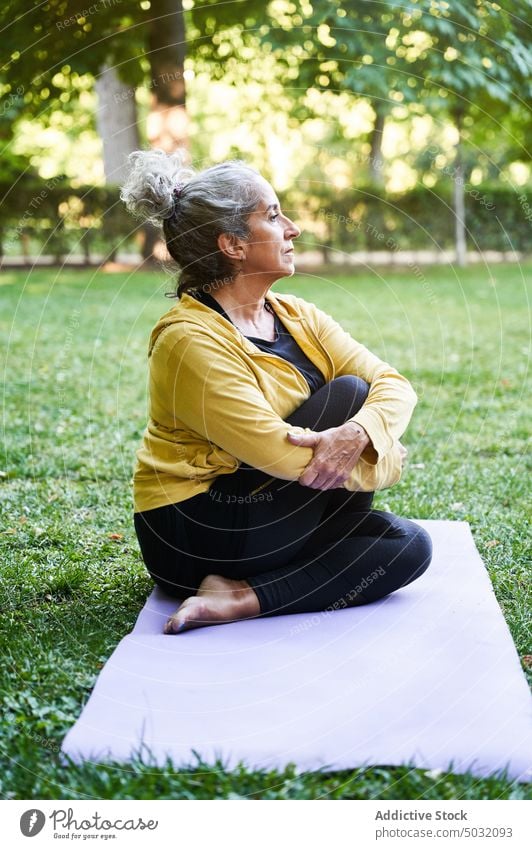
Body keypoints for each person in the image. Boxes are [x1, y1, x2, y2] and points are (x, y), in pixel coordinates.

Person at [120, 148, 432, 635]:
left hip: (281, 513)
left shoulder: (298, 315)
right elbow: (283, 457)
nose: (293, 228)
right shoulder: (188, 340)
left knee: (407, 545)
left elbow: (395, 386)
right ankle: (227, 584)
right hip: (199, 531)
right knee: (350, 392)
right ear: (234, 245)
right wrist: (382, 451)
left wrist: (361, 433)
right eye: (272, 215)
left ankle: (243, 597)